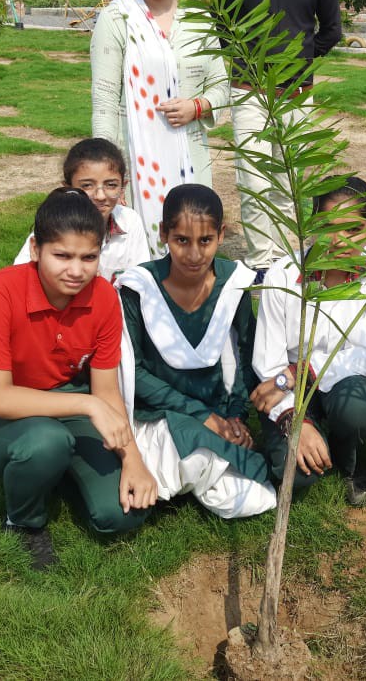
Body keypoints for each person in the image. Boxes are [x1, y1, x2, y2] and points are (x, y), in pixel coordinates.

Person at [0, 187, 157, 570]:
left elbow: (106, 390)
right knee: (46, 442)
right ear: (35, 250)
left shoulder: (102, 296)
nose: (76, 270)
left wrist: (133, 459)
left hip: (67, 405)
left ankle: (60, 469)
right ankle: (24, 522)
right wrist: (87, 404)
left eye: (89, 257)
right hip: (2, 418)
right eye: (62, 256)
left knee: (122, 516)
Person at [117, 184, 276, 518]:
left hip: (217, 411)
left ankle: (194, 473)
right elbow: (134, 370)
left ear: (221, 234)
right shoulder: (138, 287)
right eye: (181, 240)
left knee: (255, 498)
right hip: (158, 415)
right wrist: (199, 415)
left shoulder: (234, 284)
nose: (193, 255)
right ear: (163, 234)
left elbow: (243, 357)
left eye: (205, 241)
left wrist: (235, 417)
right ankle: (195, 468)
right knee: (193, 450)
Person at [216, 0, 342, 277]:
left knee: (289, 183)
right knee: (254, 180)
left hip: (297, 92)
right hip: (250, 90)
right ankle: (259, 263)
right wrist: (248, 67)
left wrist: (302, 62)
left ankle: (286, 263)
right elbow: (221, 25)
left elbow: (332, 29)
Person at [91, 0, 229, 256]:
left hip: (191, 158)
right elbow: (106, 102)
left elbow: (222, 88)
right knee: (141, 255)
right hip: (136, 162)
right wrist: (110, 176)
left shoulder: (198, 19)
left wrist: (195, 106)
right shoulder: (118, 18)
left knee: (193, 245)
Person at [250, 177, 366, 505]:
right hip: (288, 392)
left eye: (353, 230)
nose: (340, 241)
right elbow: (268, 363)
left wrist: (297, 372)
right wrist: (296, 421)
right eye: (328, 228)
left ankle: (348, 454)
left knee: (356, 407)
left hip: (339, 384)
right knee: (296, 475)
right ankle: (309, 435)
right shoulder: (283, 276)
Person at [14, 137, 149, 281]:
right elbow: (19, 279)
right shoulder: (52, 226)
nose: (100, 196)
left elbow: (141, 281)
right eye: (87, 186)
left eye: (111, 185)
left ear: (123, 187)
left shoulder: (130, 221)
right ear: (67, 188)